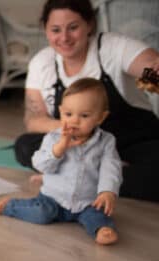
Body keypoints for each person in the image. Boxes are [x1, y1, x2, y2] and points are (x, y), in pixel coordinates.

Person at [13, 0, 159, 202]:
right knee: (24, 146)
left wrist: (154, 73)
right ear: (46, 30)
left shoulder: (113, 46)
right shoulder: (42, 62)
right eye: (55, 30)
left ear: (89, 24)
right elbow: (33, 120)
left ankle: (77, 177)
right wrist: (74, 129)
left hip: (134, 142)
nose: (64, 38)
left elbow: (150, 69)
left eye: (73, 28)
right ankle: (106, 175)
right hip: (79, 146)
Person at [0, 78, 122, 245]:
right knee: (41, 214)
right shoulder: (53, 137)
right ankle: (11, 206)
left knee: (98, 215)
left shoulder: (106, 141)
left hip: (87, 201)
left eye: (84, 115)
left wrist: (108, 191)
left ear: (100, 117)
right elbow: (39, 164)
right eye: (68, 114)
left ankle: (102, 229)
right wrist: (59, 149)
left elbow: (111, 168)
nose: (74, 121)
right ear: (61, 112)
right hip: (53, 198)